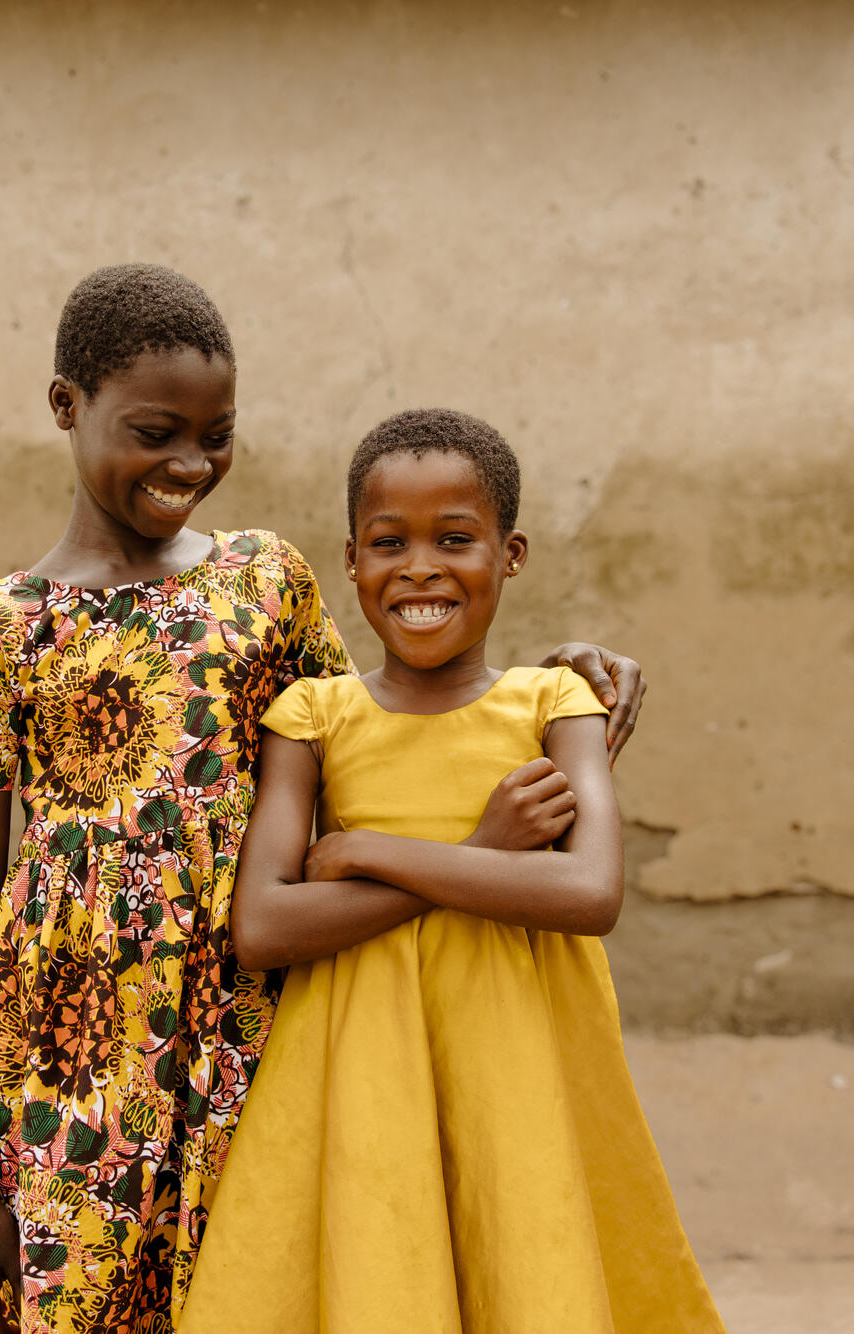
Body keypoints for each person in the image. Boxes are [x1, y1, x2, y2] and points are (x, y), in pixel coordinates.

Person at [0, 266, 646, 1334]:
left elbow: (399, 705)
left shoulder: (263, 582)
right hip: (73, 1070)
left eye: (216, 433)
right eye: (154, 430)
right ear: (63, 405)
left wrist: (563, 678)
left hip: (256, 1041)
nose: (189, 462)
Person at [179, 409, 724, 1333]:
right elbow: (264, 924)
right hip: (357, 1058)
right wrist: (477, 855)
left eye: (456, 539)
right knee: (382, 1264)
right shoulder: (313, 714)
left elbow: (589, 894)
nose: (421, 567)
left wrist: (366, 851)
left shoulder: (555, 701)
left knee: (522, 1253)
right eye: (389, 542)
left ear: (511, 555)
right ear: (351, 560)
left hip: (520, 1056)